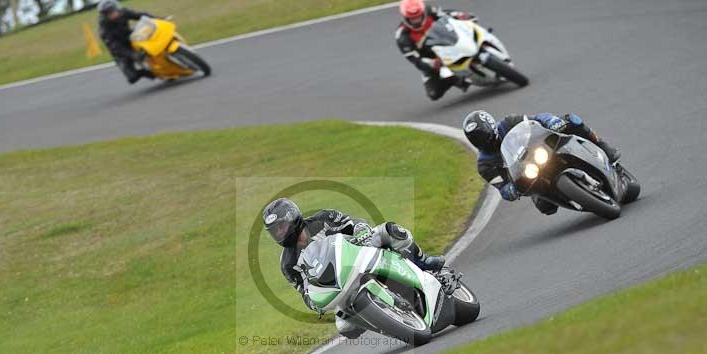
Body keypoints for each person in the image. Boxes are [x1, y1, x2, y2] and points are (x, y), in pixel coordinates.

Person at [262, 198, 445, 337]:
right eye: (274, 231)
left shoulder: (324, 218)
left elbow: (353, 223)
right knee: (346, 327)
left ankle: (423, 261)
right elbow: (304, 290)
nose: (279, 233)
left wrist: (361, 230)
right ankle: (391, 319)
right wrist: (315, 303)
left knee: (390, 230)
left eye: (281, 227)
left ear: (293, 218)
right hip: (340, 285)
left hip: (360, 252)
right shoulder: (287, 263)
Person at [462, 110, 622, 215]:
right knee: (545, 207)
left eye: (484, 137)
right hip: (530, 175)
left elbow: (537, 119)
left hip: (544, 150)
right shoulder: (484, 165)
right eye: (477, 140)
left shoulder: (509, 122)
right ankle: (582, 199)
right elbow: (501, 188)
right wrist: (511, 190)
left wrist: (552, 122)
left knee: (572, 121)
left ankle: (603, 147)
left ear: (492, 128)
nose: (484, 142)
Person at [395, 0, 476, 101]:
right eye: (413, 19)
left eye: (419, 16)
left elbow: (446, 14)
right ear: (406, 18)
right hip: (433, 59)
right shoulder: (402, 36)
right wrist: (432, 64)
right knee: (433, 93)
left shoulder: (430, 11)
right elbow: (415, 60)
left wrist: (460, 15)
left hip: (451, 41)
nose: (417, 21)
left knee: (470, 23)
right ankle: (458, 80)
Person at [97, 0, 159, 84]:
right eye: (110, 12)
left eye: (114, 10)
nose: (114, 13)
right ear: (105, 15)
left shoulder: (123, 12)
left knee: (150, 40)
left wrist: (159, 19)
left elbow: (140, 15)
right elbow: (115, 47)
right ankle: (149, 73)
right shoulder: (104, 30)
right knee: (132, 78)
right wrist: (132, 54)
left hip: (131, 38)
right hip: (120, 51)